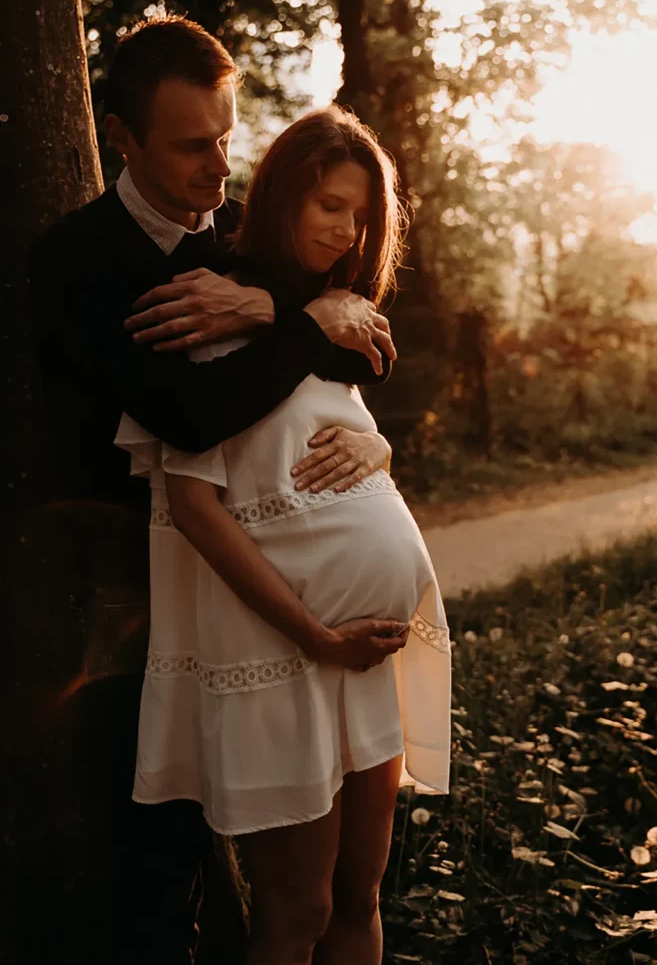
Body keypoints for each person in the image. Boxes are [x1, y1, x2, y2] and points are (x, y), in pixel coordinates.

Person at [27, 15, 405, 965]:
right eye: (192, 146)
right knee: (146, 870)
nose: (217, 166)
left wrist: (292, 312)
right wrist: (301, 315)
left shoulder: (242, 242)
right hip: (127, 599)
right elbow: (189, 416)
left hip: (267, 589)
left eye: (228, 138)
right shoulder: (78, 260)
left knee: (301, 889)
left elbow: (358, 354)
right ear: (122, 136)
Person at [114, 106, 452, 965]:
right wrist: (314, 633)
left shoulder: (330, 320)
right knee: (294, 912)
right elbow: (193, 505)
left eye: (361, 216)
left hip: (364, 663)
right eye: (328, 206)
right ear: (284, 195)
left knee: (358, 898)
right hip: (285, 659)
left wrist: (380, 443)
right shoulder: (207, 312)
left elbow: (344, 425)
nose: (345, 232)